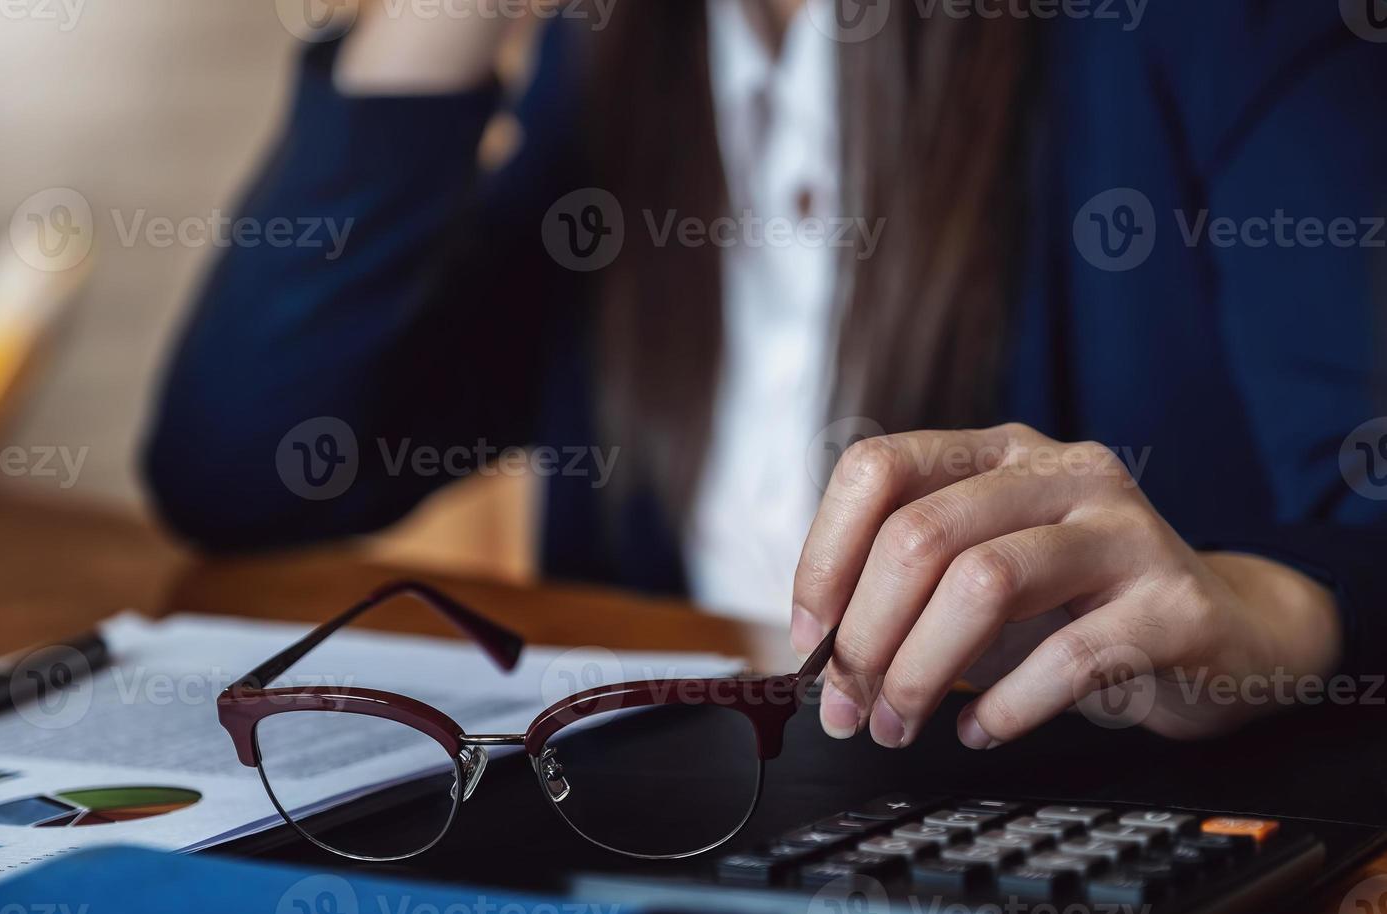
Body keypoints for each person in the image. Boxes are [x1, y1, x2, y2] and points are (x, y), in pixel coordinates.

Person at [145, 0, 1387, 752]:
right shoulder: (626, 52)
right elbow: (249, 461)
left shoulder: (1203, 28)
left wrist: (1270, 612)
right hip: (669, 836)